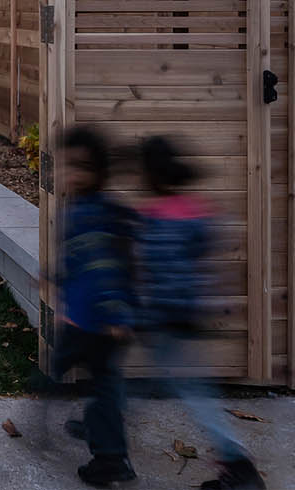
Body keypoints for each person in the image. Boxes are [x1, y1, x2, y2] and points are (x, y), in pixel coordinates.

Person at [136, 136, 265, 490]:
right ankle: (106, 433)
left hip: (164, 318)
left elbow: (152, 271)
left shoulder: (153, 218)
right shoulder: (198, 212)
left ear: (151, 176)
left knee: (193, 394)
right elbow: (204, 261)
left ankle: (238, 467)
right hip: (188, 315)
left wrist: (142, 313)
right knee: (180, 388)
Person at [52, 125, 137, 486]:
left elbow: (111, 268)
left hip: (101, 323)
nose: (71, 174)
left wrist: (117, 314)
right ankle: (99, 431)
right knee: (96, 380)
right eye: (67, 165)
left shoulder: (98, 214)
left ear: (98, 172)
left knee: (100, 386)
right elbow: (76, 261)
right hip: (82, 317)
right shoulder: (82, 210)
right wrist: (52, 280)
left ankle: (111, 460)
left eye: (80, 167)